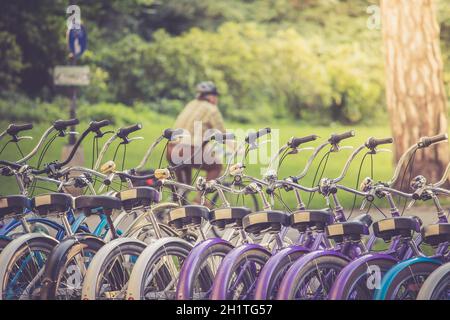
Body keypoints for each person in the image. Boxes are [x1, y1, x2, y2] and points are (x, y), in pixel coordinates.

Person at [167, 81, 227, 188]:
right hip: (186, 151)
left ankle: (177, 202)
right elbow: (223, 135)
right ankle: (200, 200)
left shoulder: (191, 104)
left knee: (184, 187)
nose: (216, 99)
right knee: (216, 166)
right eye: (216, 96)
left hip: (171, 149)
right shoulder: (211, 109)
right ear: (211, 97)